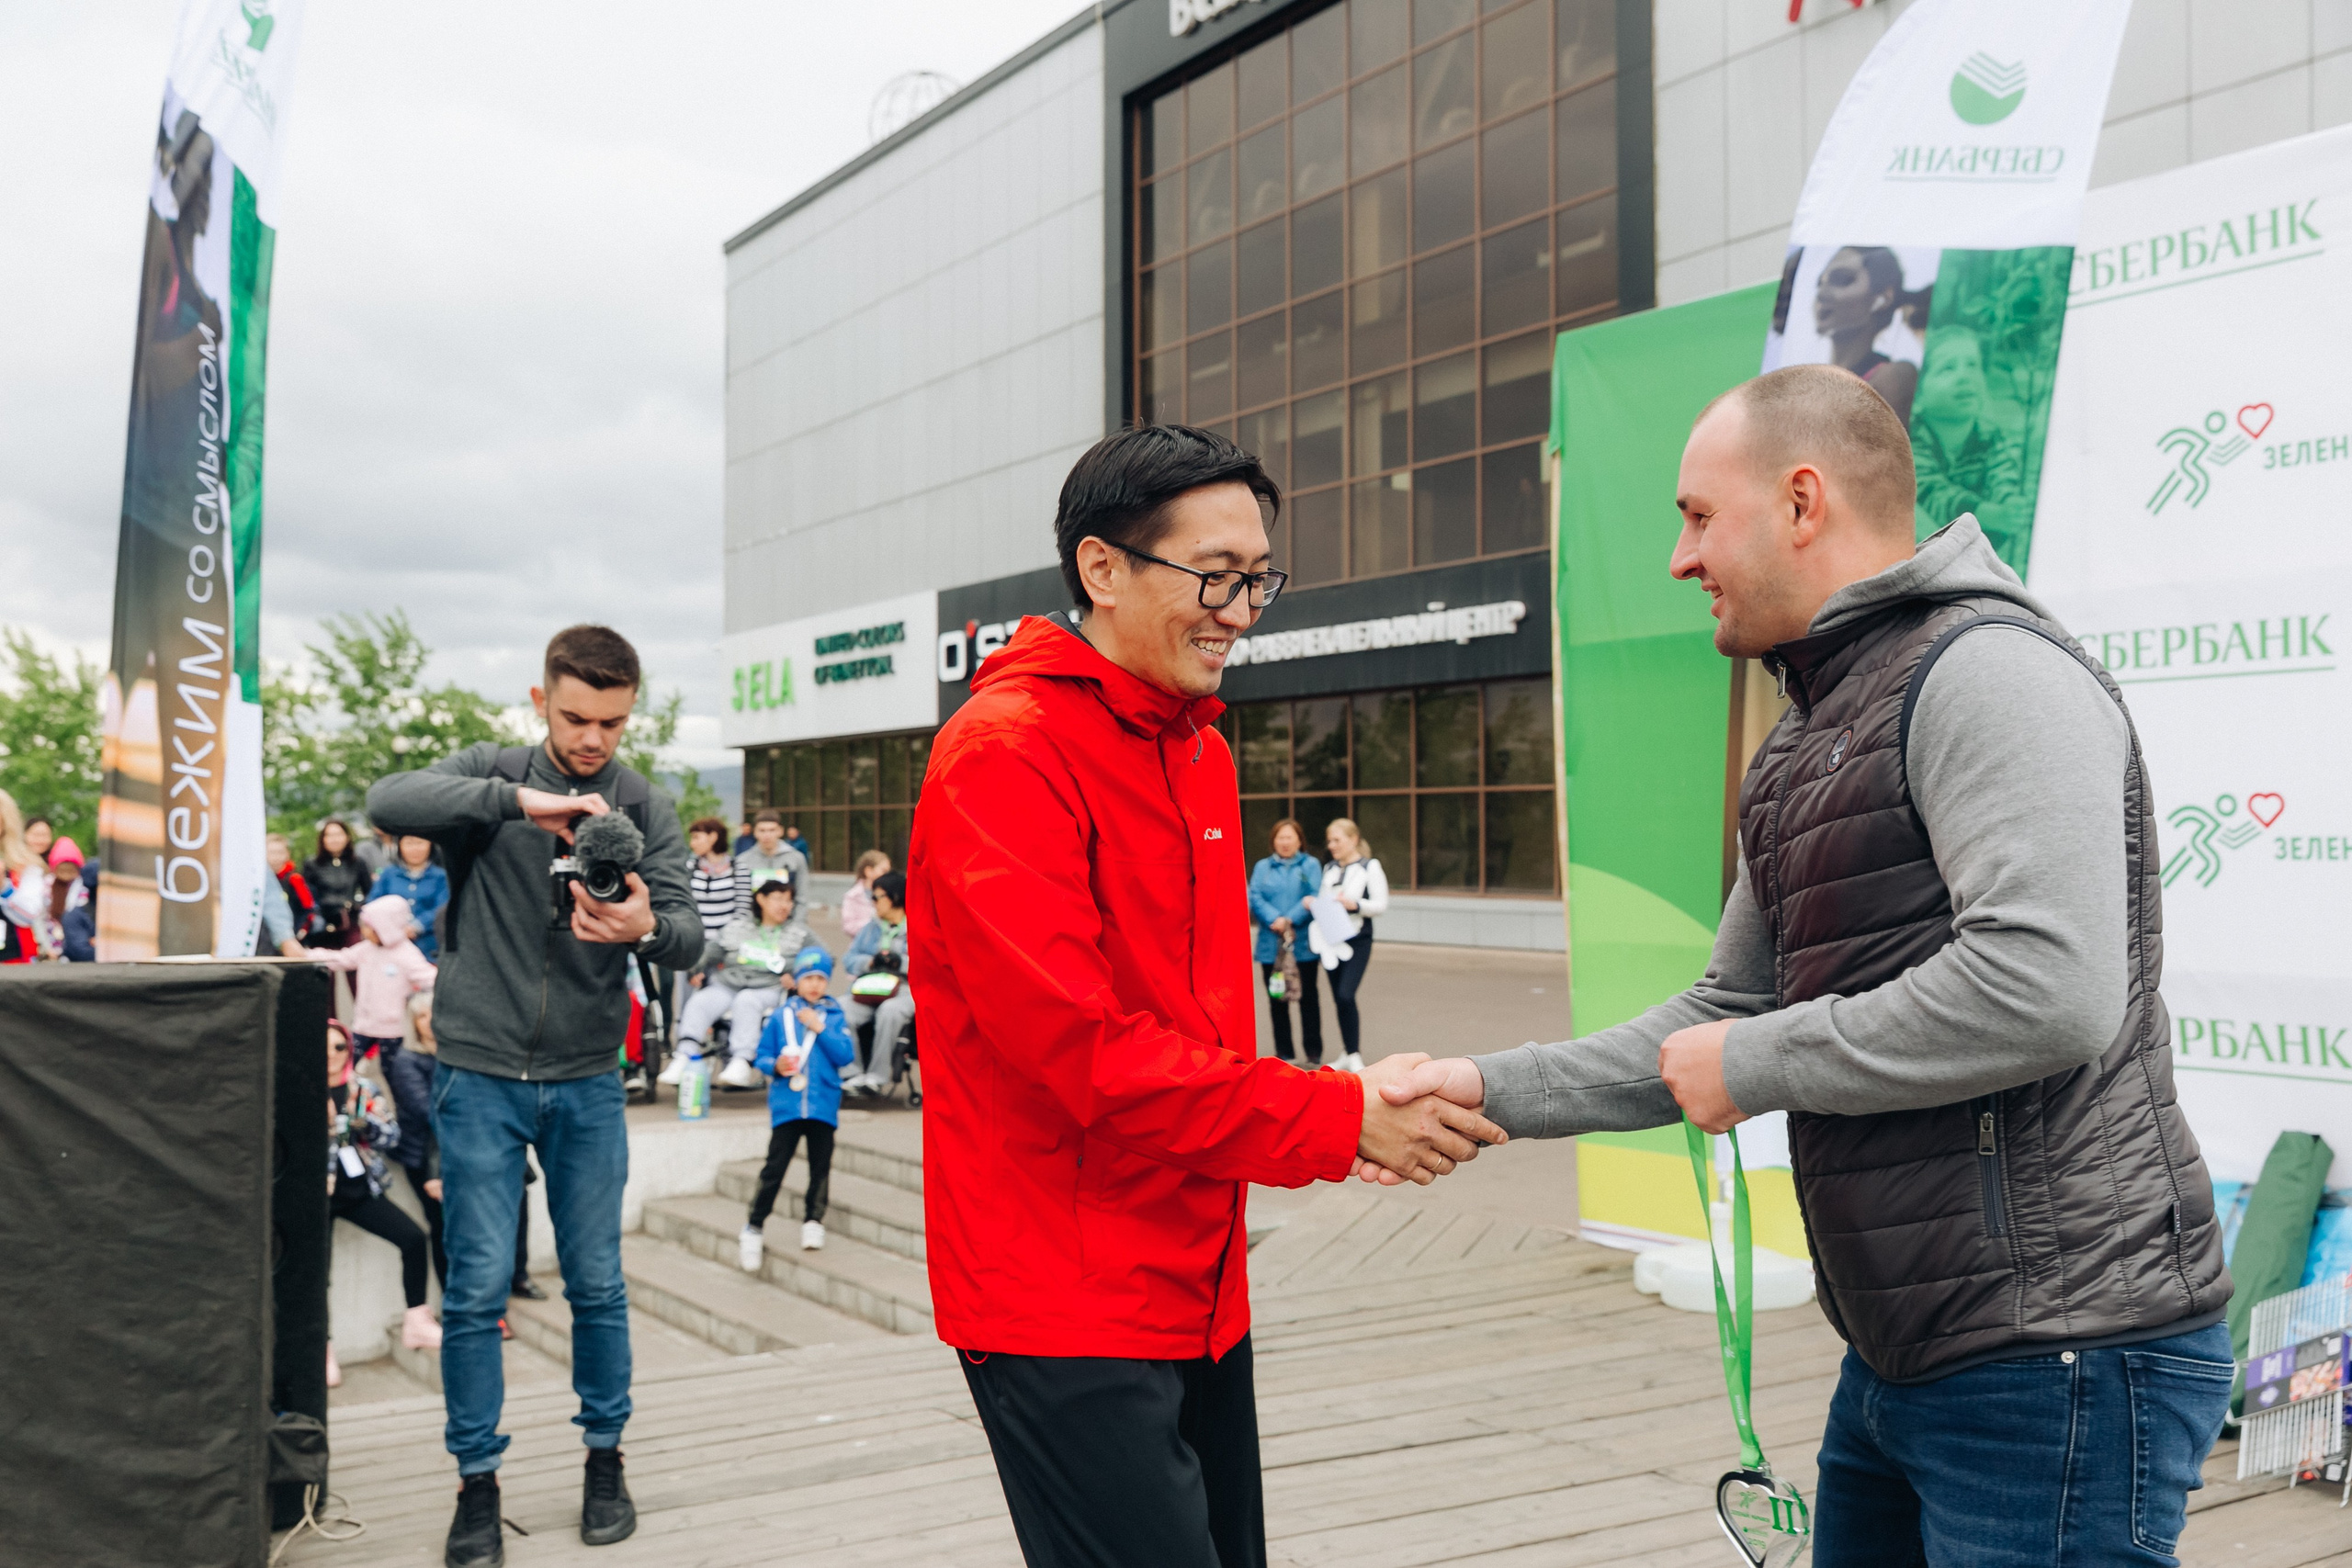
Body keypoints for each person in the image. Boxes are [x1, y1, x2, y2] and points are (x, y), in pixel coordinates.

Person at [1380, 365, 2232, 1565]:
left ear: (1800, 501)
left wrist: (1755, 1060)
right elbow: (1724, 1010)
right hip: (1901, 1353)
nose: (1679, 558)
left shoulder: (1986, 672)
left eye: (1696, 516)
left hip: (2060, 1355)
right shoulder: (1799, 743)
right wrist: (1485, 1087)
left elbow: (2047, 988)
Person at [910, 423, 1506, 1567]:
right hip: (1062, 1293)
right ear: (1102, 568)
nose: (1241, 611)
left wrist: (1336, 1095)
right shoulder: (1004, 753)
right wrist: (1334, 1117)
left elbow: (1193, 1033)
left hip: (1200, 1272)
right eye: (1216, 576)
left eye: (1259, 579)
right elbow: (1084, 1051)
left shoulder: (1196, 749)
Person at [367, 624, 702, 1564]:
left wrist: (643, 926)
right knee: (474, 1292)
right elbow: (388, 800)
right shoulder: (493, 775)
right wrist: (518, 803)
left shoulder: (644, 804)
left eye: (613, 722)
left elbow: (686, 934)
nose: (593, 738)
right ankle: (476, 1483)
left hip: (588, 1078)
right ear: (540, 699)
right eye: (576, 716)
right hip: (478, 1073)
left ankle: (605, 1460)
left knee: (597, 1284)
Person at [325, 1019, 440, 1394]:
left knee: (413, 1238)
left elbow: (391, 1136)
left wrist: (363, 1125)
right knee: (315, 1275)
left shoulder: (362, 1088)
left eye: (339, 1046)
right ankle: (321, 1349)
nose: (331, 1054)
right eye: (324, 1046)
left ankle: (417, 1321)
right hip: (316, 1197)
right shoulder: (301, 1088)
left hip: (361, 1190)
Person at [740, 946, 857, 1270]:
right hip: (787, 1106)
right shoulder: (781, 1016)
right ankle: (754, 1226)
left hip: (823, 1105)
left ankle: (813, 1220)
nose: (815, 985)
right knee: (774, 1168)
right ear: (797, 981)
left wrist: (820, 1029)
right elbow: (762, 1054)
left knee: (820, 1167)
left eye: (821, 979)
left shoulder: (834, 1015)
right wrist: (774, 1065)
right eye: (808, 978)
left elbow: (845, 1055)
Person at [661, 875, 808, 1090]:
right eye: (778, 899)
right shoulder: (737, 927)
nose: (784, 906)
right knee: (701, 1001)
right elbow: (710, 952)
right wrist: (696, 969)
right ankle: (684, 1055)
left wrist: (799, 974)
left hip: (768, 987)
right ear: (761, 899)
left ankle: (742, 1061)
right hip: (728, 984)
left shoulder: (799, 933)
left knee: (746, 1001)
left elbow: (822, 958)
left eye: (789, 901)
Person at [1910, 322, 2028, 571]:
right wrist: (1987, 512)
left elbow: (2003, 474)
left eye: (1973, 365)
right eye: (1948, 368)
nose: (1965, 376)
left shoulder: (1990, 435)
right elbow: (1930, 490)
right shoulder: (1914, 438)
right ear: (1918, 395)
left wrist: (2010, 504)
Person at [1811, 245, 1925, 426]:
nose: (1821, 294)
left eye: (1842, 279)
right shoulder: (1809, 386)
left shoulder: (1894, 378)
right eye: (1820, 283)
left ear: (1884, 298)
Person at [312, 896, 438, 1060]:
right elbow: (342, 959)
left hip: (393, 1030)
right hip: (363, 1026)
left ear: (385, 928)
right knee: (351, 1063)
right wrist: (306, 955)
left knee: (393, 1070)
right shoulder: (367, 949)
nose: (363, 932)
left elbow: (430, 978)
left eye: (368, 927)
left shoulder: (406, 954)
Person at [1310, 818, 1387, 1075]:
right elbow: (1324, 899)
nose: (1331, 845)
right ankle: (1348, 1052)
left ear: (1353, 839)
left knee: (1346, 994)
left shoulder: (1369, 866)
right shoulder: (1330, 868)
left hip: (1357, 941)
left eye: (1337, 840)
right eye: (1329, 841)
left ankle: (1354, 1055)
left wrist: (1355, 904)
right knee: (1339, 999)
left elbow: (1380, 905)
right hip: (1331, 940)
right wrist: (1314, 903)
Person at [1247, 819, 1324, 1066]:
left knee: (1308, 997)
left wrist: (1289, 919)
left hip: (1302, 944)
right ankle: (1285, 1053)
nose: (1285, 842)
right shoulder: (1263, 867)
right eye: (1280, 837)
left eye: (1290, 837)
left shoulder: (1310, 865)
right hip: (1271, 944)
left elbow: (1314, 895)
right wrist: (1275, 919)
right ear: (1273, 841)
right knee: (1276, 997)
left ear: (1300, 840)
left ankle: (1313, 1052)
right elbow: (1255, 896)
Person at [838, 871, 911, 1094]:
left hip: (905, 989)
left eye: (877, 897)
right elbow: (849, 960)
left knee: (890, 1011)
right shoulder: (870, 928)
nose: (873, 902)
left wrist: (900, 962)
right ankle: (852, 1074)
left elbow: (930, 965)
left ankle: (876, 1077)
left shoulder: (916, 926)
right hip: (870, 988)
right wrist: (869, 962)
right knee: (840, 1008)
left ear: (895, 897)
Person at [371, 834, 452, 963]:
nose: (415, 849)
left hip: (429, 947)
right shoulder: (388, 874)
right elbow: (373, 903)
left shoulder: (441, 876)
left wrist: (416, 926)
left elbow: (442, 907)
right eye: (409, 843)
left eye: (420, 843)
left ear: (430, 845)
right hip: (392, 947)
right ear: (399, 846)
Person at [303, 818, 370, 949]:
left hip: (350, 920)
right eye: (329, 835)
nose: (334, 839)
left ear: (347, 837)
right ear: (323, 839)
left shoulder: (357, 863)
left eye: (339, 835)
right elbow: (306, 895)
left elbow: (369, 891)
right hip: (322, 923)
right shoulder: (312, 864)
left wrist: (358, 906)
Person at [732, 809, 808, 918]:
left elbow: (801, 898)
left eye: (772, 830)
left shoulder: (796, 859)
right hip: (752, 923)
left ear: (780, 831)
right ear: (755, 832)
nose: (767, 835)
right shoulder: (743, 861)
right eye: (762, 830)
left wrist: (797, 924)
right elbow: (741, 900)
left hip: (788, 922)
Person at [684, 817, 738, 944]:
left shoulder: (738, 868)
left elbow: (742, 911)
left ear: (713, 836)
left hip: (726, 943)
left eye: (696, 837)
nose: (692, 843)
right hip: (694, 941)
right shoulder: (689, 867)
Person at [269, 832, 317, 937]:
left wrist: (300, 931)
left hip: (293, 933)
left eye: (280, 852)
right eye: (271, 852)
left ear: (287, 854)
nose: (275, 857)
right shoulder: (261, 881)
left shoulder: (295, 879)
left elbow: (308, 908)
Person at [838, 849, 890, 939]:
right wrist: (875, 922)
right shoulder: (853, 896)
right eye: (884, 871)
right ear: (868, 871)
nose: (888, 876)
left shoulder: (891, 894)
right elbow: (848, 926)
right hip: (864, 943)